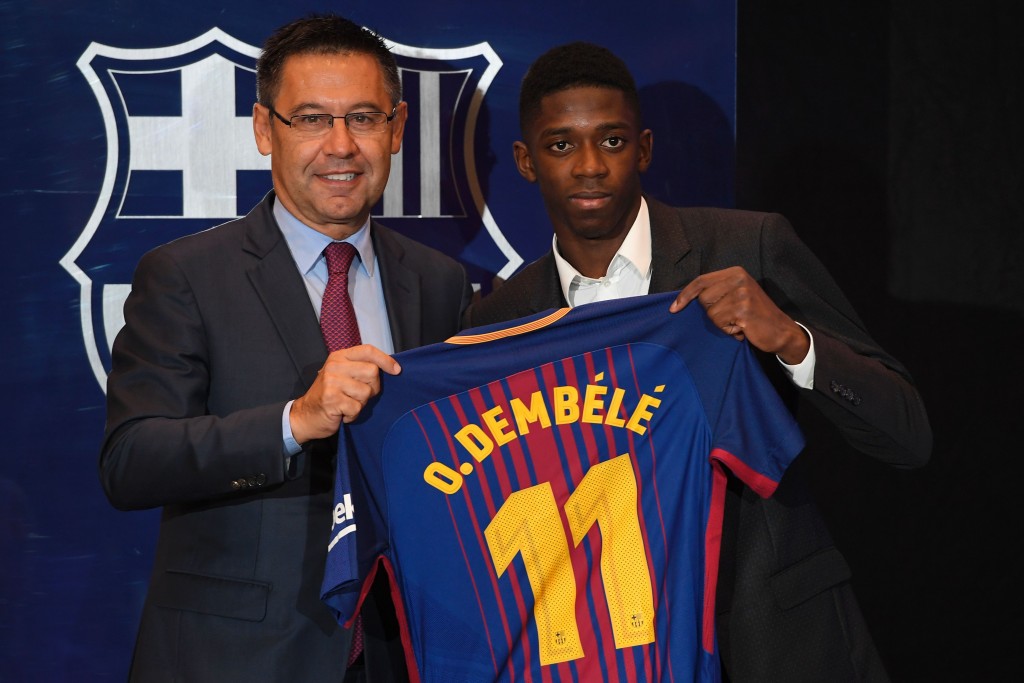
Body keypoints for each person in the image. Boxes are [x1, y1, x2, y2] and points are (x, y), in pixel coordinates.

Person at [465, 41, 932, 682]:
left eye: (612, 141)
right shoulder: (501, 318)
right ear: (525, 161)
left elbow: (907, 434)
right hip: (609, 650)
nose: (590, 168)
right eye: (560, 145)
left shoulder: (748, 246)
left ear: (646, 148)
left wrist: (792, 339)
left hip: (771, 641)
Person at [100, 14, 470, 682]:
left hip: (401, 650)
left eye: (362, 117)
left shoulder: (438, 283)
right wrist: (295, 420)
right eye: (310, 119)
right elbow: (132, 460)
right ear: (265, 129)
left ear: (397, 127)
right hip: (234, 660)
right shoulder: (185, 275)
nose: (340, 146)